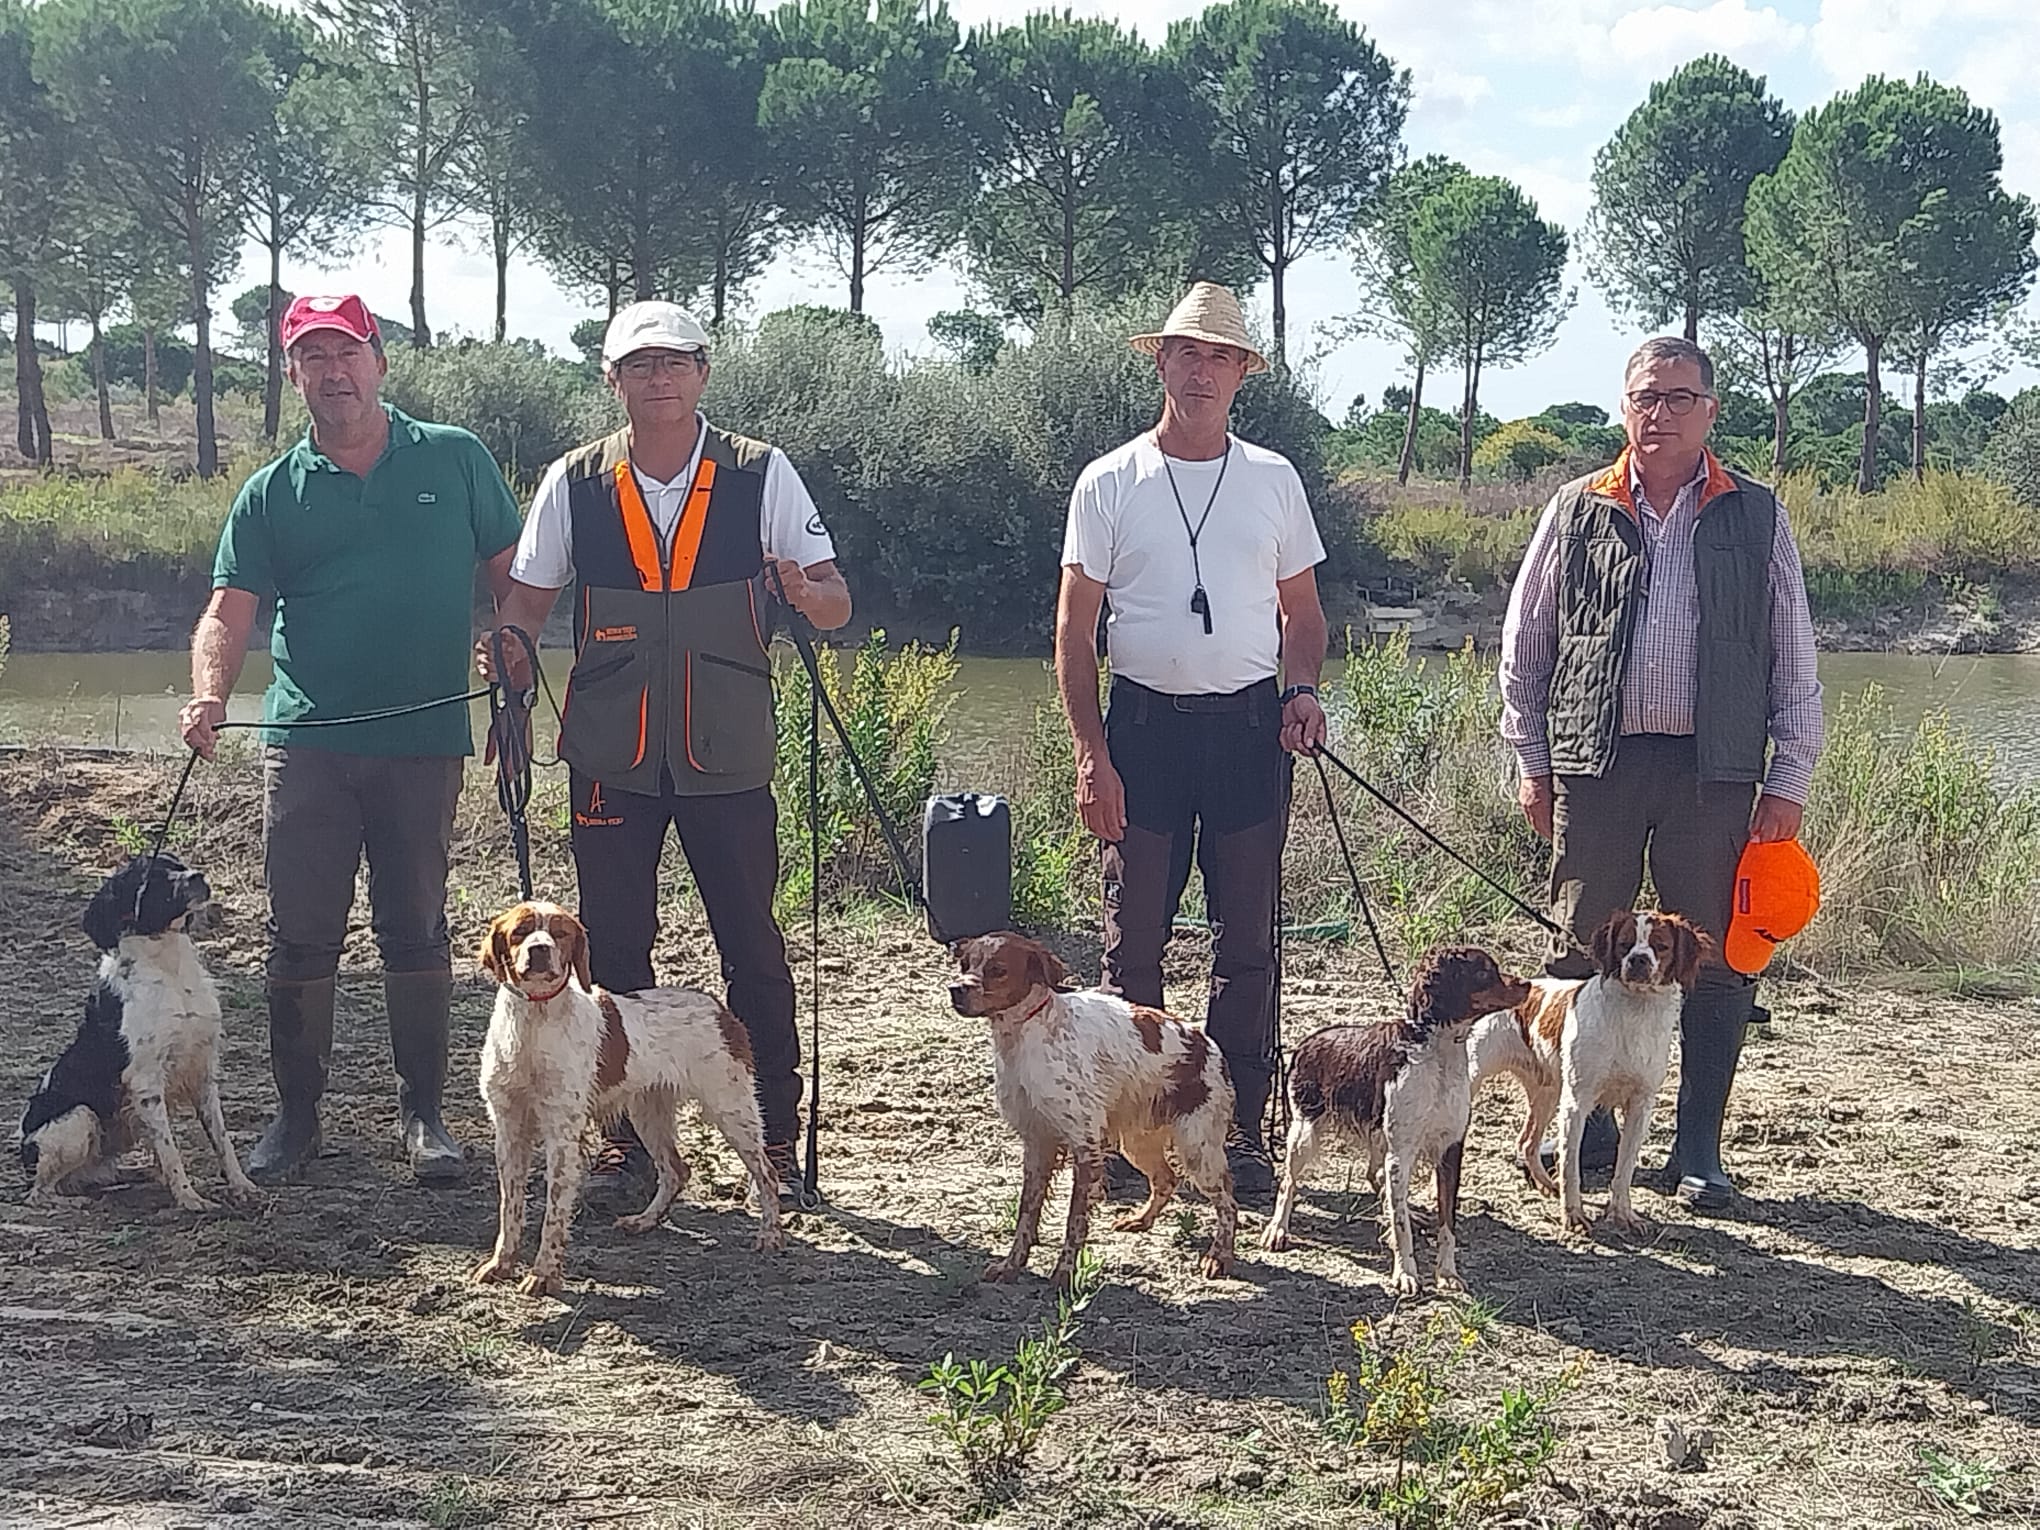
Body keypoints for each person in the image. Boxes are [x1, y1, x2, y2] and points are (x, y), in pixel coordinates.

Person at [480, 300, 850, 1202]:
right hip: (611, 751)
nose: (660, 379)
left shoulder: (763, 473)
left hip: (728, 750)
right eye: (640, 366)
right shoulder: (573, 482)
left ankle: (776, 1141)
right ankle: (625, 1146)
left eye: (676, 362)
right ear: (614, 381)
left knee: (753, 948)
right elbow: (524, 605)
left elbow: (836, 605)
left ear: (703, 372)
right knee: (612, 951)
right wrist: (509, 663)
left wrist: (807, 589)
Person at [180, 293, 524, 1185]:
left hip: (424, 741)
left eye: (347, 354)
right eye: (312, 360)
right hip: (308, 747)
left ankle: (426, 1119)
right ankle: (297, 1123)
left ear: (379, 360)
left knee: (415, 928)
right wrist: (209, 695)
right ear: (294, 376)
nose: (333, 374)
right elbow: (229, 609)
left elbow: (517, 579)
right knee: (299, 937)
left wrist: (513, 644)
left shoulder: (456, 460)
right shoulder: (271, 492)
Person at [1498, 335, 1824, 1211]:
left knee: (1712, 958)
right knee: (1577, 948)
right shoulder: (1576, 506)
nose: (1661, 413)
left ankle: (1696, 1153)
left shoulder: (1757, 515)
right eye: (1647, 397)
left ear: (1711, 411)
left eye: (1680, 397)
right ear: (1625, 406)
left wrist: (1787, 775)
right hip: (1594, 765)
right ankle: (1586, 1134)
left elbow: (1793, 656)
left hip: (1714, 775)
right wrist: (1532, 765)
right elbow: (1525, 647)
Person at [1053, 282, 1329, 1204]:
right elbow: (1072, 634)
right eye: (1187, 352)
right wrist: (1093, 757)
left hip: (1251, 733)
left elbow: (1305, 614)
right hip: (1144, 734)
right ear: (1159, 362)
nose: (1202, 369)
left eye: (1221, 356)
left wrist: (1301, 692)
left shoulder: (1275, 479)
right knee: (1133, 947)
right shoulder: (1109, 480)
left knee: (1246, 944)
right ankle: (1129, 1134)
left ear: (1243, 373)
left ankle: (1236, 1132)